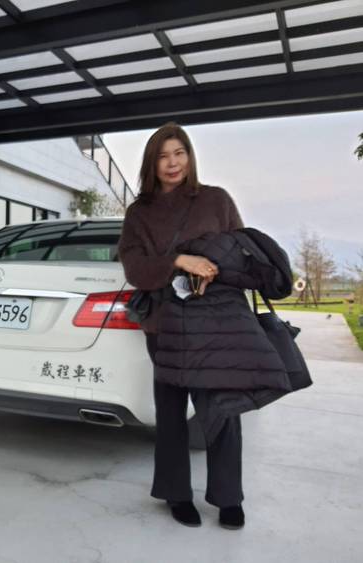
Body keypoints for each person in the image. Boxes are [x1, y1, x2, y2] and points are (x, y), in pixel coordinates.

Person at [118, 122, 246, 529]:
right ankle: (176, 493)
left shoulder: (216, 200)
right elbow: (134, 267)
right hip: (166, 324)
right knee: (171, 413)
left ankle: (229, 497)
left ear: (189, 156)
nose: (172, 163)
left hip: (215, 322)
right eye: (162, 156)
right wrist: (178, 260)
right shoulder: (139, 212)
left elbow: (242, 251)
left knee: (222, 409)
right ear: (151, 163)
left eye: (179, 153)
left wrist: (214, 269)